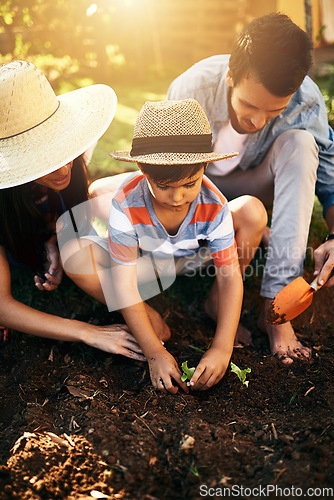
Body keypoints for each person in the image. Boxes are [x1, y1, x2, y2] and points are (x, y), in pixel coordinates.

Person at [167, 13, 334, 364]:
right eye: (248, 105)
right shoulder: (190, 91)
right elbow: (170, 182)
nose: (257, 121)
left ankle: (277, 308)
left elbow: (330, 185)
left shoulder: (306, 101)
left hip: (256, 185)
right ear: (231, 74)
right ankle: (221, 288)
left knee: (302, 145)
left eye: (274, 110)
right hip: (198, 189)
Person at [106, 98, 267, 393]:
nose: (178, 198)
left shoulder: (214, 206)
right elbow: (123, 285)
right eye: (165, 187)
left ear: (205, 166)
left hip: (196, 255)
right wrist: (154, 352)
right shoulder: (125, 204)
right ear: (143, 169)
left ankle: (212, 304)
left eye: (190, 184)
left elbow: (230, 278)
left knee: (252, 211)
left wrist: (222, 347)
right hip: (149, 261)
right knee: (82, 255)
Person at [0, 59, 145, 360]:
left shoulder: (74, 160)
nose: (64, 167)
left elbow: (75, 216)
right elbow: (2, 306)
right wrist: (88, 332)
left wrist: (54, 242)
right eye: (45, 159)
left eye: (63, 149)